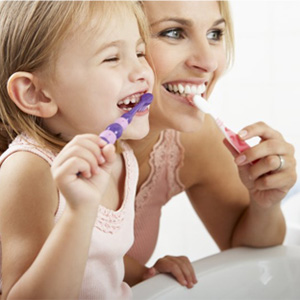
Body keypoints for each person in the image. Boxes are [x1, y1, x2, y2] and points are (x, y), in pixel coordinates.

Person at [124, 1, 297, 289]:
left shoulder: (191, 139)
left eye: (215, 34)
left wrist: (264, 202)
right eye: (174, 32)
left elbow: (247, 249)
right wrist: (140, 275)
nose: (209, 62)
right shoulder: (46, 150)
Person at [0, 1, 154, 299]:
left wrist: (147, 273)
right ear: (37, 94)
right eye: (111, 58)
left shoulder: (121, 157)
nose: (142, 72)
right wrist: (79, 211)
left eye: (139, 52)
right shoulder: (29, 170)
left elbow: (97, 259)